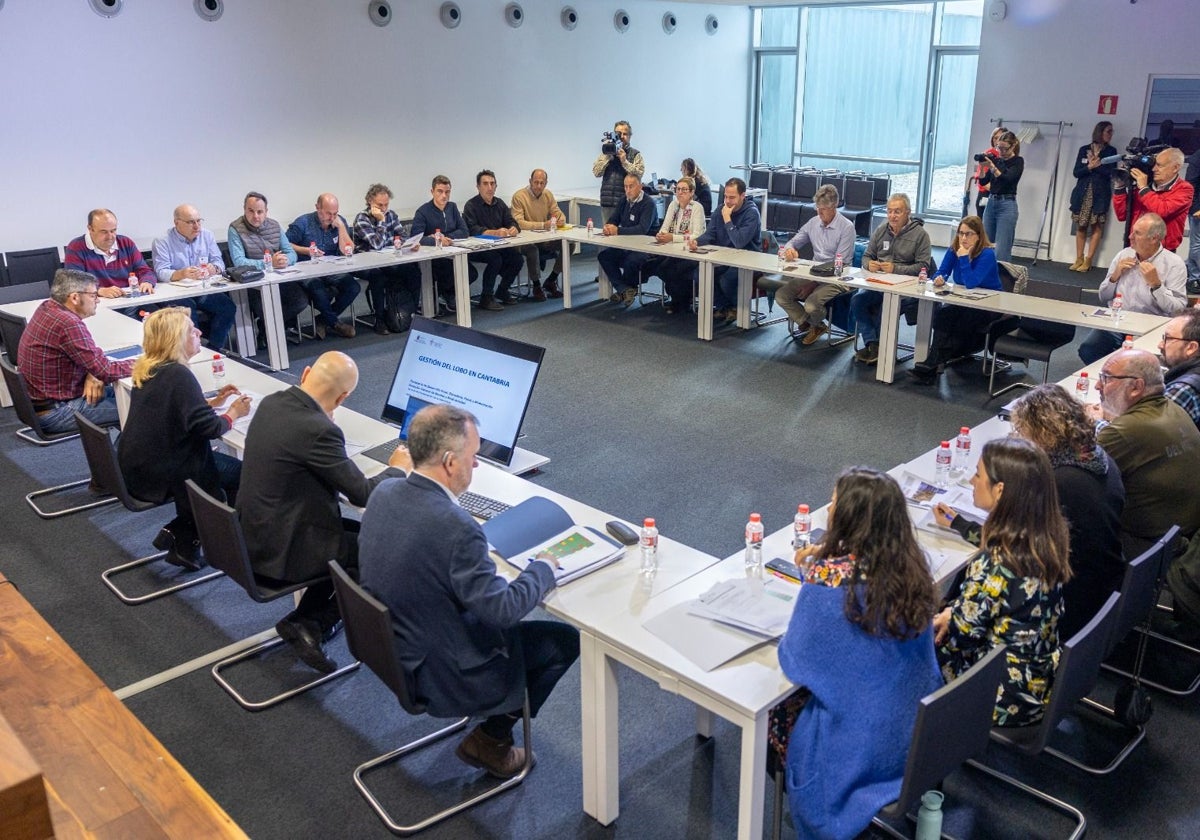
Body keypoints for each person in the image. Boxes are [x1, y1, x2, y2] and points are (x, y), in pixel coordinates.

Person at [358, 405, 579, 779]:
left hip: (391, 651)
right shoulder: (457, 527)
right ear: (448, 461)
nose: (475, 467)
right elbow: (504, 610)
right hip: (439, 674)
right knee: (563, 642)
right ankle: (491, 741)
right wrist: (544, 566)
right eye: (473, 457)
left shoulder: (385, 492)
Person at [771, 468, 941, 840]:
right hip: (913, 733)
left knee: (772, 712)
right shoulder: (913, 572)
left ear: (845, 517)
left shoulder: (827, 581)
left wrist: (816, 575)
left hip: (854, 749)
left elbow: (795, 661)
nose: (828, 508)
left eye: (833, 502)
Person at [237, 351, 411, 673]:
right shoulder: (318, 430)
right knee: (380, 550)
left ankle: (307, 619)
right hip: (282, 552)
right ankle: (312, 623)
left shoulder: (274, 402)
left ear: (305, 374)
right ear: (343, 397)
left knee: (362, 537)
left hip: (253, 534)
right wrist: (398, 469)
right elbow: (364, 495)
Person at [938, 385, 1125, 642]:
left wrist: (959, 524)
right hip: (1098, 585)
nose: (1018, 437)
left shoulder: (1058, 484)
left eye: (1022, 431)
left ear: (1042, 433)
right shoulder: (1096, 458)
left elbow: (1013, 546)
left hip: (1069, 602)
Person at [933, 438, 1073, 727]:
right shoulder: (1046, 538)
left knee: (909, 642)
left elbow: (960, 638)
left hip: (1000, 695)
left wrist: (947, 614)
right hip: (1038, 679)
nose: (972, 480)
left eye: (978, 475)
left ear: (1000, 490)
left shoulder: (995, 564)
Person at [117, 307, 250, 571]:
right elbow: (210, 429)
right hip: (163, 471)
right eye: (192, 330)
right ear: (176, 339)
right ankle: (233, 545)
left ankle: (182, 538)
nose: (199, 332)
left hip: (138, 465)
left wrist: (213, 401)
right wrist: (234, 412)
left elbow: (176, 411)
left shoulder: (150, 368)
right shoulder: (178, 375)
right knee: (243, 474)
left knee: (214, 468)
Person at [1085, 349, 1200, 556]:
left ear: (1136, 387)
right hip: (1183, 535)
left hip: (1148, 547)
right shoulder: (1174, 409)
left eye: (1106, 378)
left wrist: (1094, 422)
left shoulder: (1125, 432)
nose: (1097, 385)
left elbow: (1074, 465)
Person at [16, 269, 134, 434]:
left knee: (139, 395)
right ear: (75, 298)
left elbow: (95, 364)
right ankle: (119, 459)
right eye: (93, 295)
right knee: (145, 412)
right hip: (57, 412)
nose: (98, 300)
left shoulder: (47, 307)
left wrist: (92, 373)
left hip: (43, 403)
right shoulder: (68, 323)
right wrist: (146, 363)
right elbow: (106, 370)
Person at [1077, 213, 1188, 364]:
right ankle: (1111, 380)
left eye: (1137, 233)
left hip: (1150, 326)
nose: (1130, 236)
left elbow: (1178, 310)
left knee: (1136, 363)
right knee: (1088, 349)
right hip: (1117, 321)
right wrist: (1114, 276)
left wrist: (1156, 285)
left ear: (1154, 238)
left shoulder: (1174, 264)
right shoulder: (1124, 254)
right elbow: (1103, 297)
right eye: (1132, 231)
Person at [909, 215, 1002, 384]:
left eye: (969, 234)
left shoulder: (987, 254)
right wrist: (939, 278)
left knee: (962, 321)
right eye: (961, 233)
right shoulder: (955, 249)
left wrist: (964, 258)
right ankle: (933, 363)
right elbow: (941, 271)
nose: (963, 238)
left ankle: (932, 363)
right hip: (963, 300)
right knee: (943, 315)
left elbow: (971, 283)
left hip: (988, 305)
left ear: (979, 236)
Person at [850, 193, 932, 364]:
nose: (892, 216)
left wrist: (896, 268)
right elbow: (867, 256)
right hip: (881, 284)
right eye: (889, 211)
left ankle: (880, 349)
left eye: (897, 212)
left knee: (885, 307)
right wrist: (869, 264)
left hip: (907, 289)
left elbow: (924, 267)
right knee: (858, 300)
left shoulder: (920, 235)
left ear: (907, 213)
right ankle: (873, 344)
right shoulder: (881, 230)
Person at [774, 184, 856, 346]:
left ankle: (812, 323)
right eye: (817, 208)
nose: (819, 212)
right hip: (814, 273)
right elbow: (793, 242)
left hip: (838, 278)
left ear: (834, 206)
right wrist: (789, 250)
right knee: (781, 295)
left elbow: (841, 263)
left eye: (823, 209)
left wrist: (813, 284)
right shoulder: (813, 222)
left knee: (811, 304)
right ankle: (813, 325)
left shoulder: (846, 227)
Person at [226, 191, 309, 342]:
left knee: (300, 301)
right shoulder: (235, 229)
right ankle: (271, 332)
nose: (256, 216)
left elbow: (291, 253)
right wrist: (269, 262)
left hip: (278, 279)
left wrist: (285, 260)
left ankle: (266, 329)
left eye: (260, 212)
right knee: (265, 310)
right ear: (244, 210)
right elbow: (239, 262)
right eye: (251, 211)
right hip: (253, 283)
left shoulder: (275, 226)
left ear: (266, 212)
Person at [152, 205, 237, 350]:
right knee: (188, 313)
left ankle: (214, 349)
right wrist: (181, 273)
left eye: (199, 221)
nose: (197, 226)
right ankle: (194, 351)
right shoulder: (162, 241)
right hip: (177, 291)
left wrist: (214, 268)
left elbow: (219, 261)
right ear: (177, 223)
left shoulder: (207, 235)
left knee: (227, 307)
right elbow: (161, 271)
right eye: (191, 222)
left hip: (202, 288)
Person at [285, 193, 360, 339]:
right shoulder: (303, 223)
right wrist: (306, 250)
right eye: (328, 213)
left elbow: (348, 250)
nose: (331, 217)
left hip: (331, 268)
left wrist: (341, 228)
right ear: (318, 208)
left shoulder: (339, 222)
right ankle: (335, 323)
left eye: (335, 213)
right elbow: (286, 244)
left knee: (353, 287)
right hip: (307, 269)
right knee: (318, 289)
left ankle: (323, 320)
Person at [688, 177, 762, 325]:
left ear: (742, 196)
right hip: (723, 256)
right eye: (726, 197)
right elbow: (710, 234)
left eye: (732, 197)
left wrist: (728, 219)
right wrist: (697, 241)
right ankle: (725, 307)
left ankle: (735, 308)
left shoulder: (751, 213)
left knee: (726, 280)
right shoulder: (720, 209)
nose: (728, 201)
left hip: (746, 259)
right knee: (699, 274)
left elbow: (739, 242)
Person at [352, 183, 422, 335]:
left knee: (413, 271)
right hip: (365, 264)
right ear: (370, 202)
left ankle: (412, 311)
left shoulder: (392, 215)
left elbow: (402, 236)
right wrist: (381, 221)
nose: (384, 208)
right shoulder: (362, 219)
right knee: (378, 277)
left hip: (388, 260)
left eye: (386, 204)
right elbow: (376, 244)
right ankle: (380, 320)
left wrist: (410, 244)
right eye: (380, 205)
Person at [643, 176, 706, 314]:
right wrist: (661, 235)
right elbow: (665, 227)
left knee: (670, 269)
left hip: (690, 251)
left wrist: (673, 237)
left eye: (684, 190)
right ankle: (678, 297)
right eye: (678, 189)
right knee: (657, 266)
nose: (680, 193)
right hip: (671, 249)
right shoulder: (673, 205)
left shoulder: (697, 208)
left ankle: (681, 300)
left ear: (691, 192)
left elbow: (697, 235)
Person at [1112, 147, 1194, 252]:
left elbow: (1162, 211)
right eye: (1154, 164)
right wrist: (1120, 187)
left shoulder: (1184, 189)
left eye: (1159, 165)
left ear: (1175, 168)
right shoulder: (1144, 186)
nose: (1154, 169)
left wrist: (1144, 188)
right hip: (1135, 246)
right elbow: (1122, 215)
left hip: (1162, 251)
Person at [463, 170, 524, 310]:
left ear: (496, 186)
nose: (489, 187)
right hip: (478, 246)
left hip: (499, 244)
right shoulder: (471, 205)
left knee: (517, 259)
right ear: (478, 187)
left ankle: (502, 290)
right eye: (485, 184)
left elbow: (511, 221)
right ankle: (486, 297)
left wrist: (514, 228)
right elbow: (471, 229)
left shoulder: (500, 203)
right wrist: (494, 232)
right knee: (495, 259)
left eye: (492, 184)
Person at [63, 209, 155, 298]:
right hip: (98, 305)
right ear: (90, 229)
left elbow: (145, 270)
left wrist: (147, 282)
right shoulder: (76, 247)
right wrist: (99, 291)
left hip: (129, 299)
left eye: (113, 230)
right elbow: (74, 283)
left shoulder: (125, 243)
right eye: (104, 232)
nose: (110, 236)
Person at [596, 173, 657, 308]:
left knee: (631, 261)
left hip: (647, 248)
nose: (628, 190)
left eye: (631, 186)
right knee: (604, 256)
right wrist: (608, 226)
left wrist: (617, 230)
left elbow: (642, 229)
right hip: (627, 245)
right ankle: (625, 290)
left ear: (640, 186)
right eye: (625, 187)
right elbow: (614, 219)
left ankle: (625, 289)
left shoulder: (649, 204)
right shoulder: (624, 200)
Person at [410, 174, 469, 308]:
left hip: (453, 252)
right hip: (433, 257)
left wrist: (447, 238)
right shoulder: (423, 212)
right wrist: (438, 241)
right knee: (448, 273)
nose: (444, 196)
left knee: (471, 273)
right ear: (432, 192)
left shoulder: (452, 208)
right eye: (440, 191)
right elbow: (415, 238)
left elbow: (464, 231)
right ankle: (447, 294)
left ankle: (448, 293)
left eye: (447, 192)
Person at [1068, 121, 1118, 272]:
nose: (1110, 134)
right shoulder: (1084, 150)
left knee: (1096, 225)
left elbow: (1111, 174)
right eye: (1108, 131)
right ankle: (1078, 258)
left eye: (1111, 132)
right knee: (1081, 225)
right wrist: (1089, 166)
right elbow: (1077, 172)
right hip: (1083, 192)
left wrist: (1098, 166)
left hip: (1100, 193)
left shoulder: (1111, 151)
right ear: (1100, 132)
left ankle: (1089, 260)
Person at [511, 168, 565, 300]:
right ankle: (536, 285)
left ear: (546, 183)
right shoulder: (519, 196)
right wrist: (542, 225)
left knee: (568, 245)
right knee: (532, 250)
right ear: (530, 181)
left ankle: (551, 279)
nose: (539, 186)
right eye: (536, 182)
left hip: (544, 238)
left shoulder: (548, 195)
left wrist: (561, 219)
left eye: (542, 183)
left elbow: (558, 212)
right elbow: (519, 223)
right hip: (524, 240)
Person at [592, 120, 645, 234]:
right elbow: (596, 172)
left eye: (624, 134)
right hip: (608, 202)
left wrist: (624, 161)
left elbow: (639, 174)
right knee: (607, 235)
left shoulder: (635, 154)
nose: (621, 137)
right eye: (618, 134)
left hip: (627, 203)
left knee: (625, 236)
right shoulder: (606, 153)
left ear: (630, 136)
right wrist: (608, 158)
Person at [979, 129, 1023, 262]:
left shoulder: (1018, 161)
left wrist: (993, 167)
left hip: (1007, 204)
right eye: (999, 148)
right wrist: (982, 166)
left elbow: (1007, 179)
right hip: (992, 202)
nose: (1001, 152)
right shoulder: (997, 161)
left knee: (1002, 248)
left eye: (1005, 149)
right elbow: (983, 181)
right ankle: (984, 276)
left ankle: (1001, 279)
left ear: (1013, 146)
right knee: (985, 243)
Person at [1160, 308, 1200, 429]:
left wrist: (1105, 418)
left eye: (1168, 338)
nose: (1160, 345)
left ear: (1191, 347)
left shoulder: (1184, 389)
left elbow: (1144, 433)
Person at [1184, 147, 1200, 289]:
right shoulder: (1197, 157)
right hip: (1198, 208)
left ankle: (1186, 267)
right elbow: (1191, 184)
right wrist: (1195, 207)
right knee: (1197, 244)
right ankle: (1195, 277)